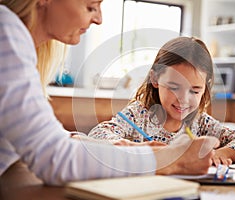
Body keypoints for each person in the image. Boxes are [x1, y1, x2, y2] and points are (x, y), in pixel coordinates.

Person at [0, 0, 220, 186]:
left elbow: (39, 144)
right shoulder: (5, 29)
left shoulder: (18, 42)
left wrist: (128, 151)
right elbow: (54, 159)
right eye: (91, 6)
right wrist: (171, 159)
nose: (99, 19)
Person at [88, 36, 235, 166]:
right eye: (174, 87)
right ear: (155, 78)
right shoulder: (137, 115)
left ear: (206, 86)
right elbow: (97, 134)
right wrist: (138, 150)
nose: (183, 99)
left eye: (194, 91)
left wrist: (220, 154)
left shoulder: (201, 122)